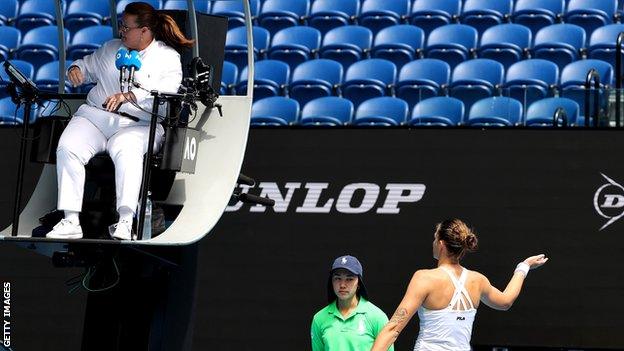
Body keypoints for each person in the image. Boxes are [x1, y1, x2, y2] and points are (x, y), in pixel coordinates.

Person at [46, 2, 194, 240]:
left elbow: (167, 92)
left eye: (127, 27)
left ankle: (125, 220)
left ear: (144, 31)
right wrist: (75, 68)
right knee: (68, 147)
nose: (121, 31)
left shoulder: (167, 57)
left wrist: (130, 96)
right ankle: (70, 219)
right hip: (96, 117)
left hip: (139, 125)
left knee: (126, 150)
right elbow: (86, 65)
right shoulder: (110, 48)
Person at [370, 219, 549, 351]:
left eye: (434, 238)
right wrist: (523, 267)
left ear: (440, 244)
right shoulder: (477, 281)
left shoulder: (424, 278)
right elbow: (506, 301)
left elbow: (393, 329)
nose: (432, 243)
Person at [311, 255, 394, 351]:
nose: (342, 285)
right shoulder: (319, 318)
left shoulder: (377, 317)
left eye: (349, 279)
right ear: (331, 281)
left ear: (359, 283)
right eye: (337, 278)